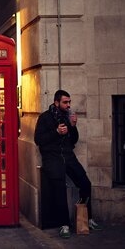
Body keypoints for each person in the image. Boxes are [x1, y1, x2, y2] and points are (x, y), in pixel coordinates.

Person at [34, 90, 101, 239]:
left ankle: (86, 218)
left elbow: (74, 140)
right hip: (53, 158)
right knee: (60, 190)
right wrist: (56, 131)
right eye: (65, 102)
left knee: (85, 184)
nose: (68, 105)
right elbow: (38, 139)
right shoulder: (44, 118)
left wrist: (73, 126)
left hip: (68, 157)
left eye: (69, 102)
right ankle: (64, 225)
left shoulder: (68, 116)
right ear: (56, 102)